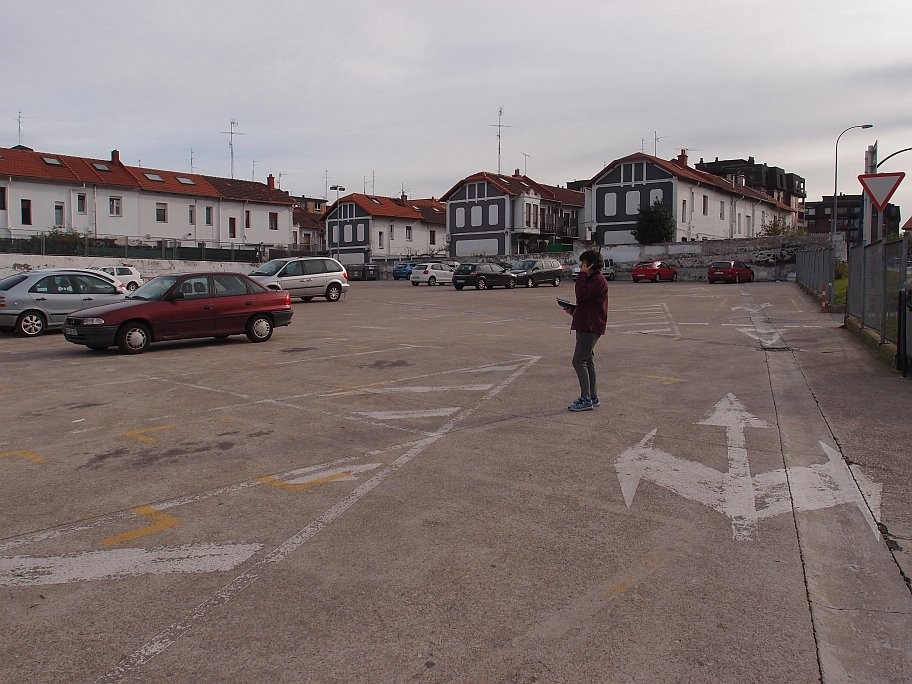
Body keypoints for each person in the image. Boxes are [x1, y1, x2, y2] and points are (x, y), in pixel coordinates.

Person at [562, 250, 609, 412]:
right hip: (585, 323)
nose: (581, 267)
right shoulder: (592, 280)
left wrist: (581, 275)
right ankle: (592, 396)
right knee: (587, 361)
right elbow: (587, 304)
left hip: (591, 326)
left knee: (578, 361)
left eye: (583, 264)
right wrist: (573, 312)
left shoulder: (598, 280)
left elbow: (581, 294)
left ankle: (586, 399)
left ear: (591, 265)